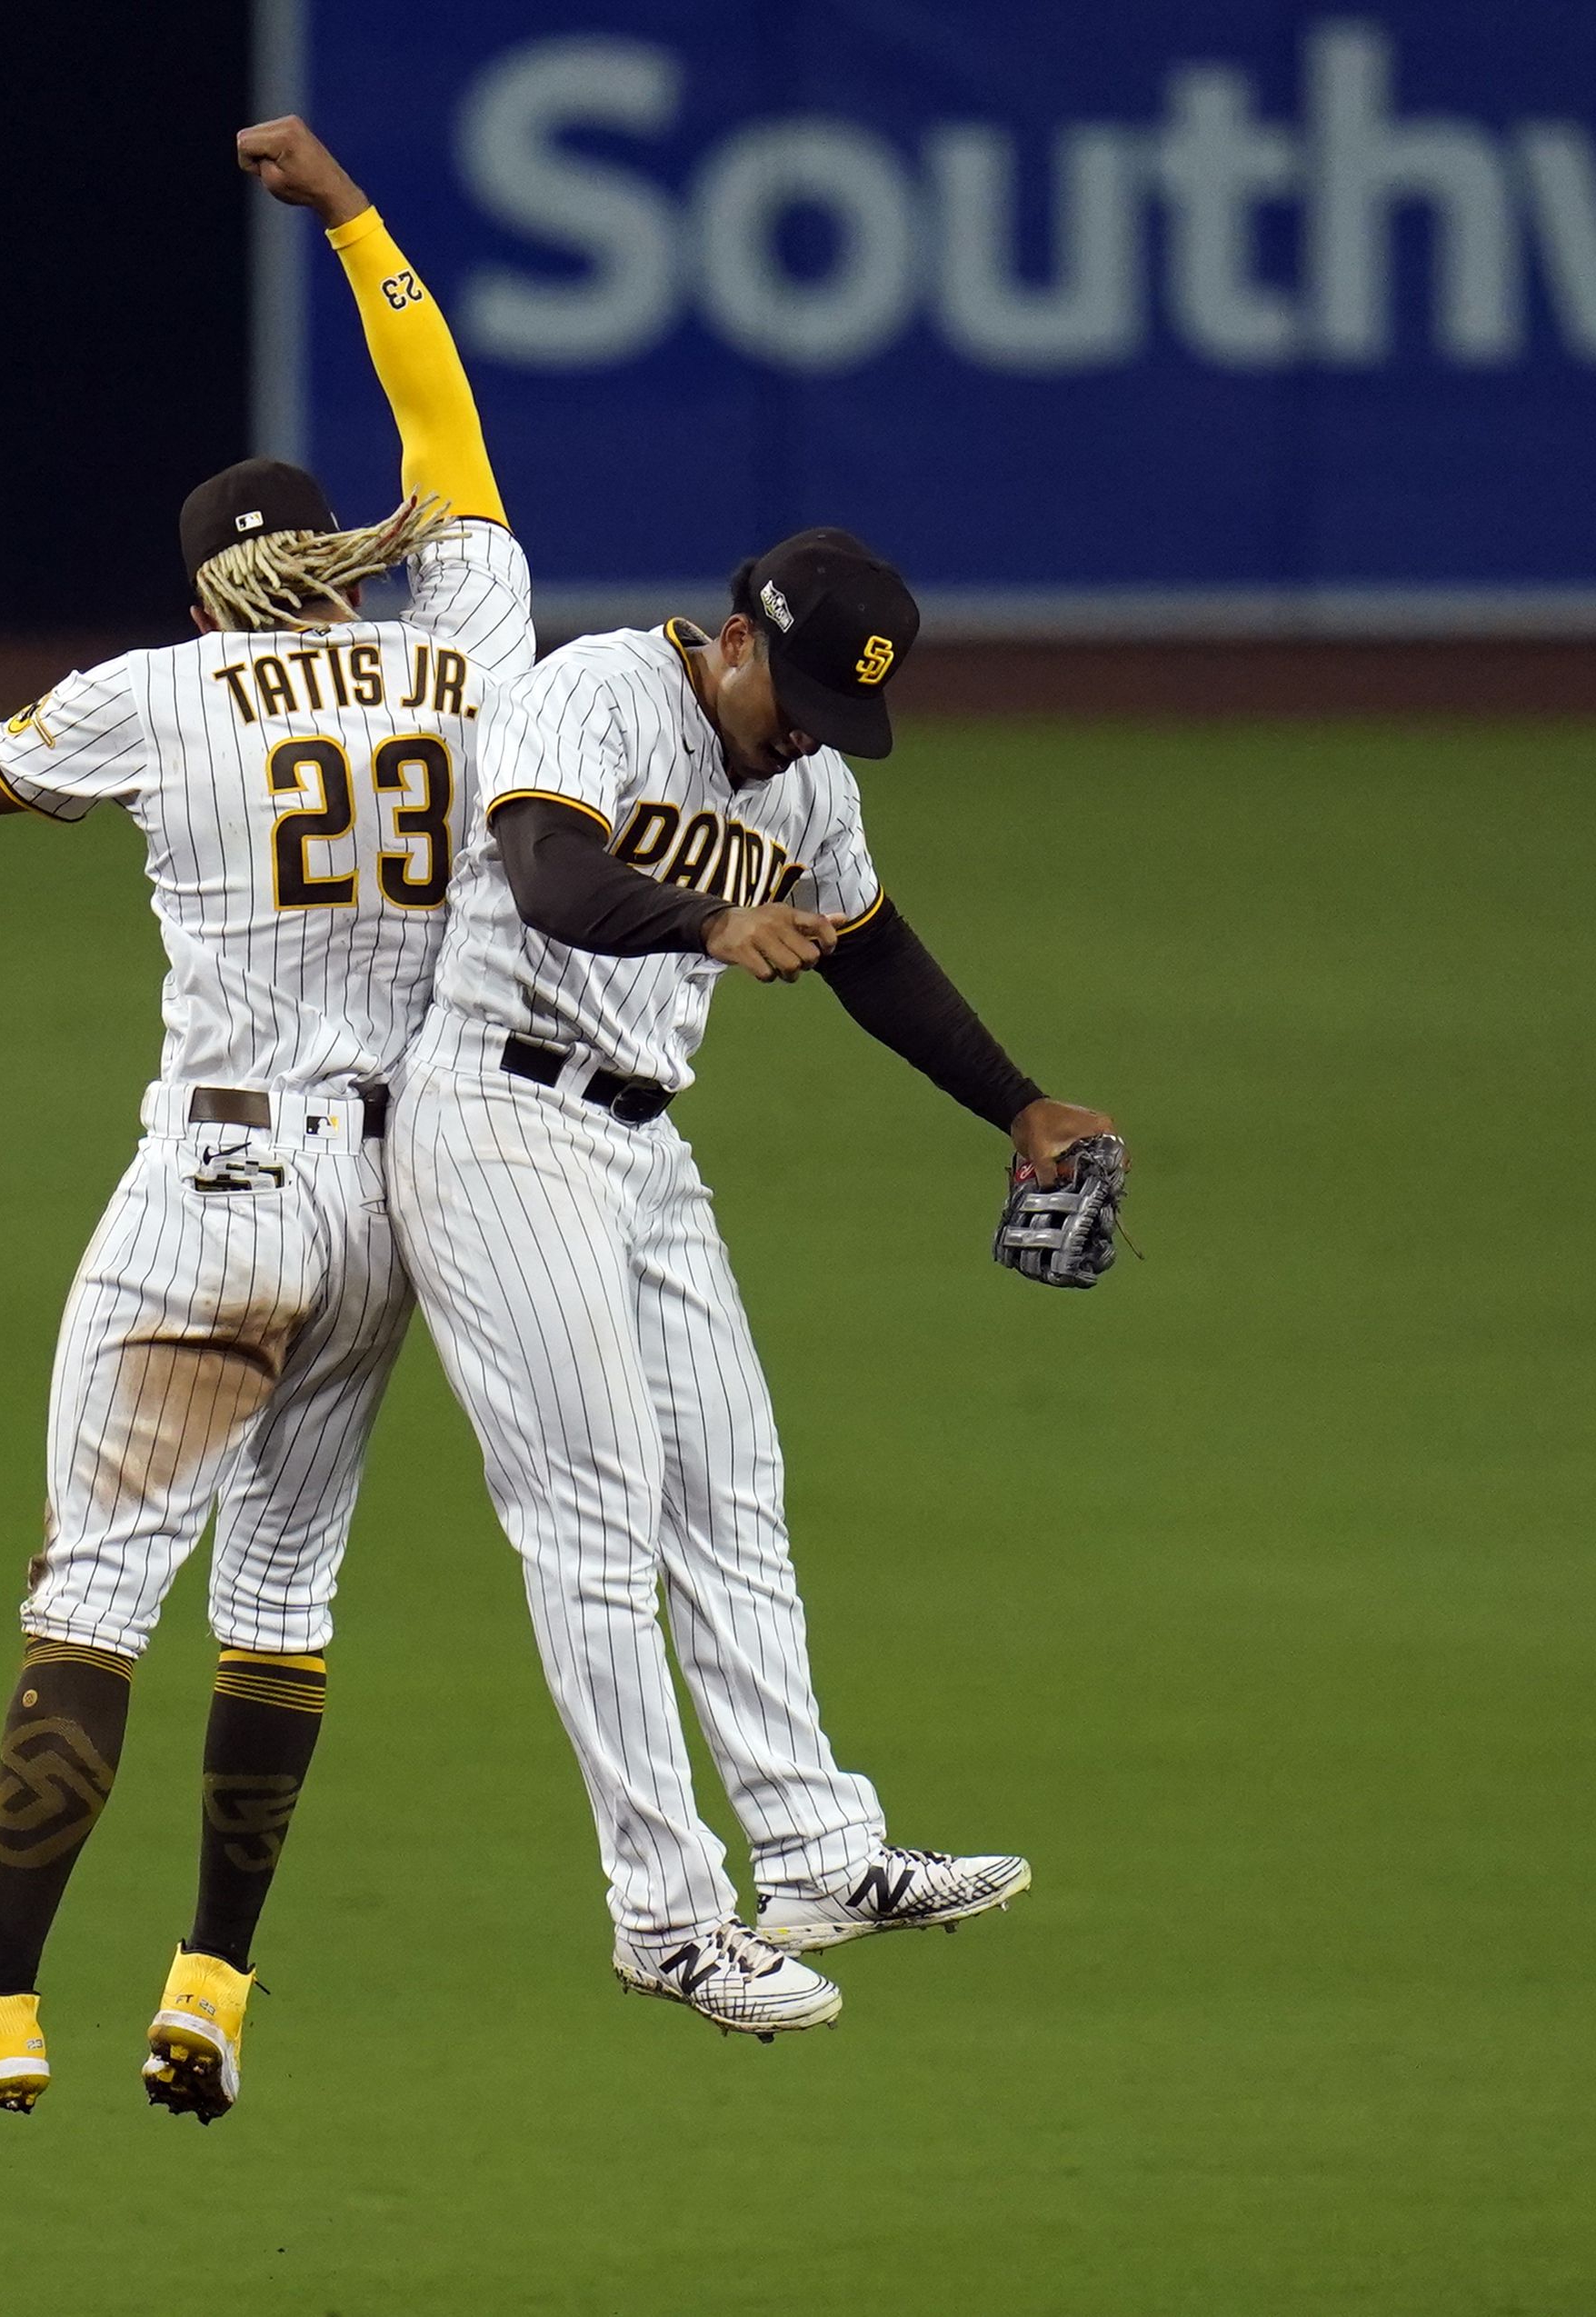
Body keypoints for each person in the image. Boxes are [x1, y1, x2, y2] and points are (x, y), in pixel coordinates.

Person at [0, 116, 529, 2130]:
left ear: (207, 590)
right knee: (281, 1601)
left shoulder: (161, 695)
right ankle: (209, 1984)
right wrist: (354, 215)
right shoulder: (467, 639)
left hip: (216, 1181)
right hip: (403, 1201)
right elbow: (439, 435)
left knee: (95, 1590)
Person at [387, 530, 1119, 2035]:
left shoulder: (810, 781)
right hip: (497, 1117)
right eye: (788, 692)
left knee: (731, 1489)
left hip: (642, 1146)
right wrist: (710, 919)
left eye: (833, 715)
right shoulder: (591, 694)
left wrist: (1018, 1103)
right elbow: (547, 871)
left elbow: (868, 946)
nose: (801, 731)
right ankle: (664, 1914)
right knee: (594, 1516)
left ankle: (818, 1853)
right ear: (730, 639)